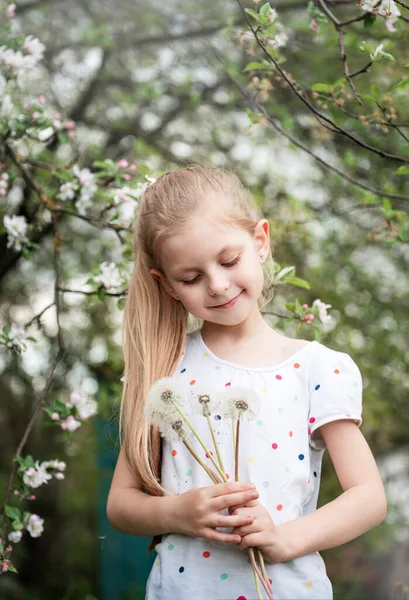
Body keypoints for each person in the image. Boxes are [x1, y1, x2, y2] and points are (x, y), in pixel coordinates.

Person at [106, 165, 387, 600]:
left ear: (260, 241)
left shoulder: (316, 369)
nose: (217, 285)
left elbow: (368, 497)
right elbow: (121, 505)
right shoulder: (163, 368)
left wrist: (284, 539)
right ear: (167, 285)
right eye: (191, 277)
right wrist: (177, 512)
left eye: (228, 260)